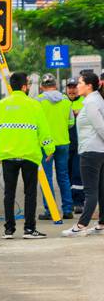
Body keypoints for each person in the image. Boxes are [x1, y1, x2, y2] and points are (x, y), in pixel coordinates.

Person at [0, 72, 55, 239]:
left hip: (8, 155)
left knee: (9, 193)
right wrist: (49, 149)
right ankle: (29, 229)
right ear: (24, 87)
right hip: (29, 155)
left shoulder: (1, 105)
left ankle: (8, 230)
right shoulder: (34, 105)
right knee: (30, 193)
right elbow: (43, 130)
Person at [62, 72, 104, 237]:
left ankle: (81, 225)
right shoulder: (96, 100)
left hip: (91, 151)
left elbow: (100, 127)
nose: (77, 86)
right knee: (100, 189)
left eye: (80, 83)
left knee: (90, 190)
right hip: (98, 150)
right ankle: (101, 224)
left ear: (89, 85)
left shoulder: (92, 102)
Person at [36, 73, 75, 220]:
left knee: (46, 178)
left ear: (41, 87)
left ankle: (50, 210)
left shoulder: (37, 101)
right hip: (63, 143)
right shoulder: (66, 100)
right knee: (63, 176)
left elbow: (35, 124)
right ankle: (67, 209)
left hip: (45, 146)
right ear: (56, 85)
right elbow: (71, 123)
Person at [66, 78, 85, 214]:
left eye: (74, 87)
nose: (72, 90)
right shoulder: (63, 102)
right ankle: (69, 202)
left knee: (78, 174)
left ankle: (79, 202)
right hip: (66, 144)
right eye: (69, 87)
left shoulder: (83, 102)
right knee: (67, 175)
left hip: (79, 144)